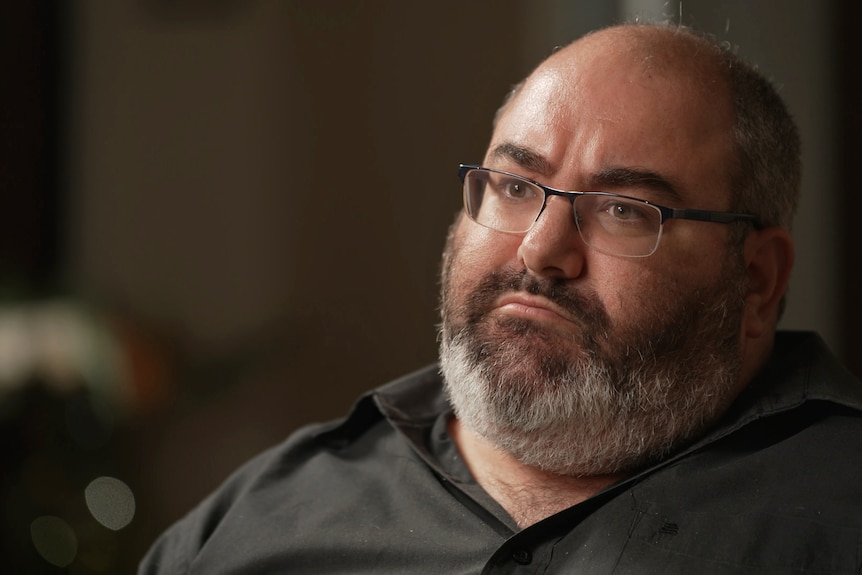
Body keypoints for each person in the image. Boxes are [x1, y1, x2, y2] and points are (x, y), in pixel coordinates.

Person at [139, 22, 862, 574]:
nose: (542, 250)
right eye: (516, 187)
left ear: (757, 279)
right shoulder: (255, 520)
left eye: (624, 209)